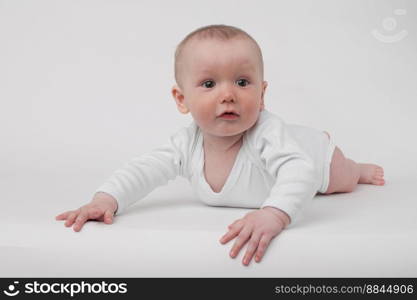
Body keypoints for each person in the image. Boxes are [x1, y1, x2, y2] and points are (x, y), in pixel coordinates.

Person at [56, 24, 385, 266]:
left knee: (340, 181)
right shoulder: (186, 143)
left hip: (316, 155)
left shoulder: (268, 132)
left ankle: (359, 169)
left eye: (242, 82)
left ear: (262, 93)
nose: (228, 94)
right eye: (209, 83)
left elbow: (301, 169)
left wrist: (273, 213)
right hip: (298, 153)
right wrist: (106, 198)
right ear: (181, 99)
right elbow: (145, 169)